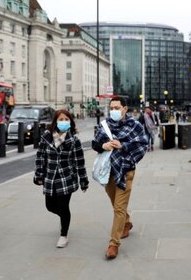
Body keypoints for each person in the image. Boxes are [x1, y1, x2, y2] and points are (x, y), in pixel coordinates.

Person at [92, 96, 148, 259]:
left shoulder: (135, 126)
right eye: (112, 108)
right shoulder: (104, 125)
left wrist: (123, 146)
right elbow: (95, 144)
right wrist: (104, 145)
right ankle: (127, 223)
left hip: (125, 170)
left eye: (117, 108)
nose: (114, 111)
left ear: (125, 109)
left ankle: (113, 244)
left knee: (118, 207)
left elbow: (142, 145)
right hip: (107, 170)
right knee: (116, 203)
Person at [34, 109, 88, 248]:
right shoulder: (46, 136)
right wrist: (39, 174)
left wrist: (83, 181)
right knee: (50, 206)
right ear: (55, 121)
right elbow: (40, 156)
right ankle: (65, 217)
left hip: (66, 178)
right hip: (50, 177)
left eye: (66, 119)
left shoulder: (74, 140)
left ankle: (64, 234)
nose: (63, 122)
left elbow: (79, 162)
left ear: (70, 122)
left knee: (63, 206)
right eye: (61, 119)